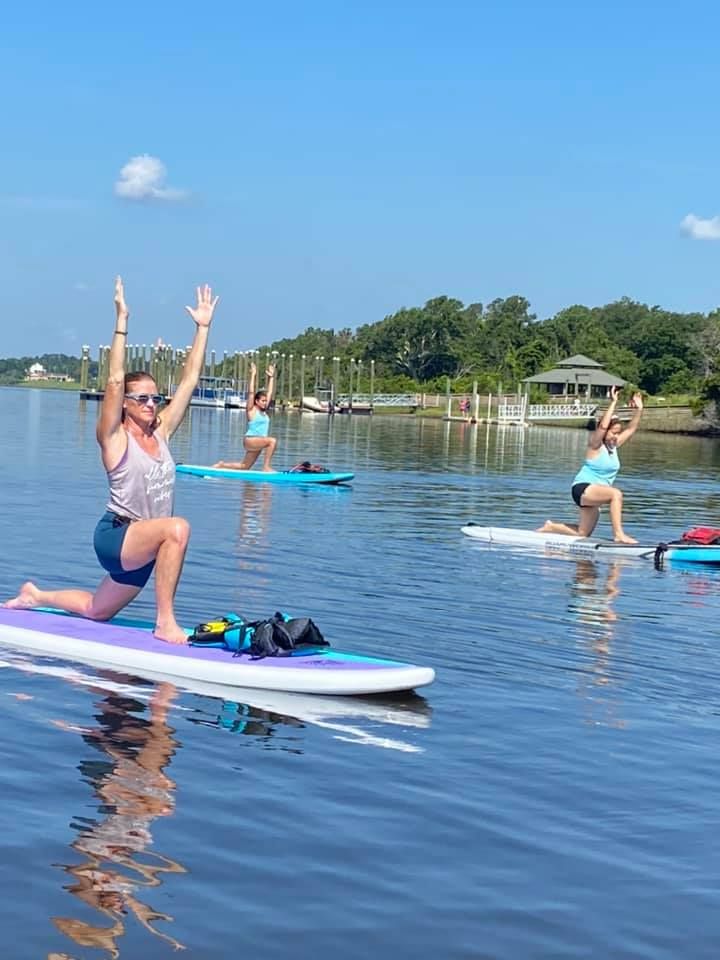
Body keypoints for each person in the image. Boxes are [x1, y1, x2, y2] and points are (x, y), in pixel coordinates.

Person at [3, 277, 219, 643]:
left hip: (145, 544)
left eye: (155, 398)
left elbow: (189, 380)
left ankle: (34, 595)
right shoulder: (114, 438)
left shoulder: (161, 433)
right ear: (127, 404)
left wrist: (203, 328)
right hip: (117, 536)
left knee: (96, 610)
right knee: (177, 528)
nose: (152, 404)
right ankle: (165, 622)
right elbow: (115, 381)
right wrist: (122, 323)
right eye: (143, 399)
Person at [538, 385, 644, 544]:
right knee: (616, 494)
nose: (616, 436)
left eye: (617, 432)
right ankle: (619, 534)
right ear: (605, 431)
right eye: (613, 432)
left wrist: (639, 409)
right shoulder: (595, 444)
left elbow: (631, 429)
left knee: (582, 533)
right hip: (582, 488)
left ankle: (551, 527)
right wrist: (613, 402)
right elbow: (602, 426)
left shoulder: (613, 446)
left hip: (596, 493)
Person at [213, 360, 277, 471]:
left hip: (259, 442)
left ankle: (221, 465)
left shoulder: (264, 412)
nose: (265, 402)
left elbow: (270, 393)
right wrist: (253, 375)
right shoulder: (251, 411)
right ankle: (266, 467)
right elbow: (251, 392)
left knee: (245, 466)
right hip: (250, 440)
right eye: (262, 400)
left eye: (265, 401)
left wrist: (271, 378)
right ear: (256, 401)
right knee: (272, 441)